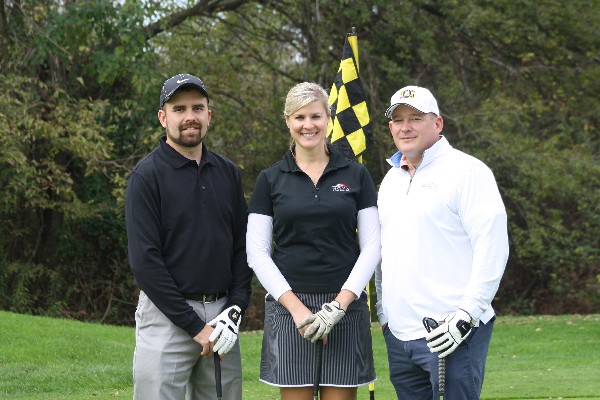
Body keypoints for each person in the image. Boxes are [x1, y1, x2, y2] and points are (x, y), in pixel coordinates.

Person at [246, 82, 380, 400]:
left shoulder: (356, 174)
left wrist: (339, 305)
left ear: (329, 118)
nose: (309, 125)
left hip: (345, 307)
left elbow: (372, 246)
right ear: (288, 121)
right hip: (289, 308)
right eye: (300, 117)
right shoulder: (270, 179)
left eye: (316, 116)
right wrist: (296, 309)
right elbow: (257, 252)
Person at [375, 85, 509, 399]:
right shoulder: (391, 179)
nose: (405, 127)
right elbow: (384, 252)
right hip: (400, 335)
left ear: (438, 123)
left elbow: (492, 246)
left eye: (415, 118)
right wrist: (384, 315)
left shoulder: (468, 172)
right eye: (398, 120)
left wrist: (467, 314)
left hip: (453, 331)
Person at [125, 73, 253, 400]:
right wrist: (196, 328)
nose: (189, 117)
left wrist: (235, 310)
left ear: (209, 114)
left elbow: (243, 248)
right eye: (179, 109)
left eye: (198, 107)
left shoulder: (227, 173)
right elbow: (145, 263)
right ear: (163, 117)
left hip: (223, 316)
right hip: (167, 317)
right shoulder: (147, 176)